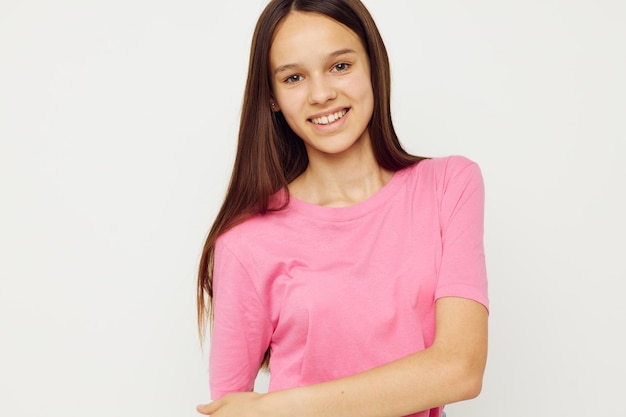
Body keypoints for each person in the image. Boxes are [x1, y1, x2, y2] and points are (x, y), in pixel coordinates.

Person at [196, 0, 489, 416]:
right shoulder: (245, 242)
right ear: (274, 97)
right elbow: (230, 410)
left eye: (339, 66)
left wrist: (280, 407)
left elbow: (460, 369)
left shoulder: (448, 187)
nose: (321, 94)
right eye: (294, 77)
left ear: (373, 65)